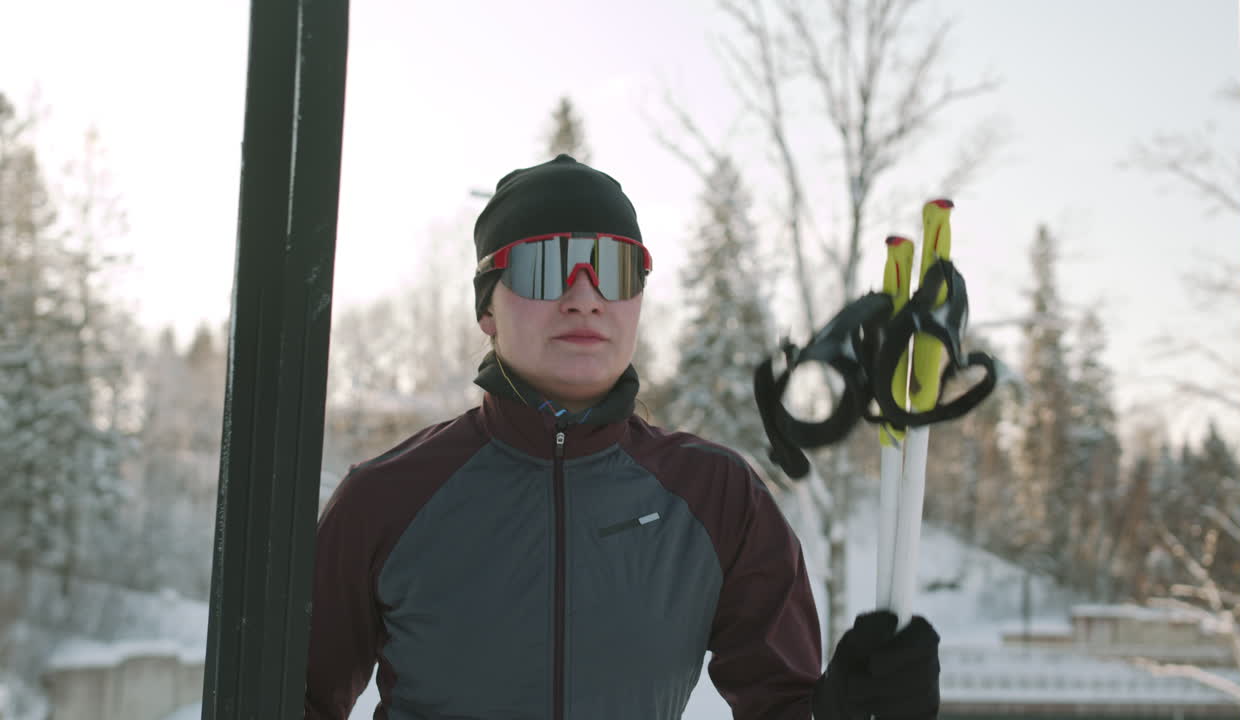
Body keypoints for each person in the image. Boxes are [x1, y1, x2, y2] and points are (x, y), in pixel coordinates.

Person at [305, 154, 941, 720]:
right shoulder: (386, 500)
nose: (584, 297)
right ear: (487, 309)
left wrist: (849, 708)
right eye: (545, 265)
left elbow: (785, 705)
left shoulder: (718, 498)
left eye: (613, 267)